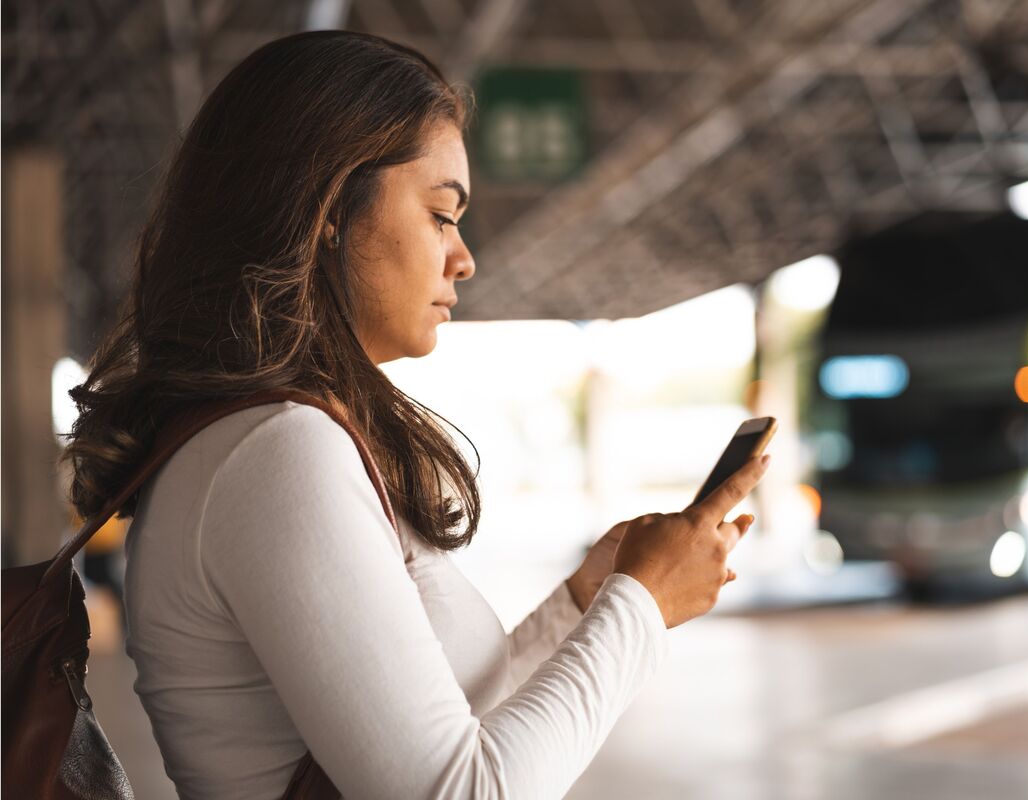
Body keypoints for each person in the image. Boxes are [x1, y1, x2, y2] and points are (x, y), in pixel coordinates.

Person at [60, 30, 769, 799]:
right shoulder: (276, 452)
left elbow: (447, 732)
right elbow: (458, 792)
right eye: (440, 214)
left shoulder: (265, 438)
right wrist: (642, 605)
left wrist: (587, 599)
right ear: (328, 209)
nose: (463, 257)